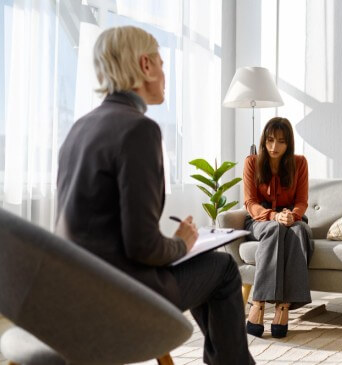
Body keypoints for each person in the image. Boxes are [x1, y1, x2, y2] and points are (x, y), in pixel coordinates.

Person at [55, 26, 254, 365]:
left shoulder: (81, 127)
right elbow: (142, 247)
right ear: (145, 65)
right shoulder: (139, 129)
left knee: (205, 268)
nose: (165, 73)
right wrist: (182, 243)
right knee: (221, 268)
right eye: (162, 63)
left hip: (77, 293)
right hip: (121, 296)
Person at [242, 117, 313, 339]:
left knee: (300, 231)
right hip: (261, 220)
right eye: (270, 140)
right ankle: (259, 302)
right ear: (264, 140)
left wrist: (293, 215)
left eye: (281, 142)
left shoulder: (299, 163)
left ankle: (283, 307)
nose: (274, 147)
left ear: (289, 143)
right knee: (275, 229)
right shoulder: (252, 162)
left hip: (291, 217)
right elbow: (250, 202)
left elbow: (302, 200)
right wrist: (273, 216)